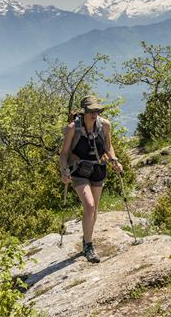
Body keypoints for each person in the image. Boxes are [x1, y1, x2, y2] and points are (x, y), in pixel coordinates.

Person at [59, 95, 123, 263]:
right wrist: (64, 170)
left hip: (98, 169)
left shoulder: (105, 125)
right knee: (89, 205)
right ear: (84, 112)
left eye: (97, 110)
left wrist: (114, 160)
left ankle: (87, 238)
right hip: (79, 170)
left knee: (94, 211)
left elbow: (108, 146)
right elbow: (64, 153)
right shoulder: (73, 127)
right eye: (91, 111)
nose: (94, 114)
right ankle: (88, 245)